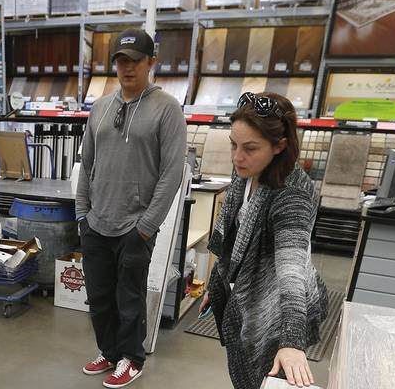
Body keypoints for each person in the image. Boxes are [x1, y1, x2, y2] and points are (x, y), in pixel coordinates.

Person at [76, 28, 186, 389]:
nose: (127, 68)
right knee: (99, 298)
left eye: (135, 61)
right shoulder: (101, 108)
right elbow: (86, 164)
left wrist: (146, 226)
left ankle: (131, 359)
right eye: (121, 61)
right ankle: (108, 352)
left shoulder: (166, 109)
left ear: (151, 63)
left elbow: (172, 174)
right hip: (96, 223)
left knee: (129, 299)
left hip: (134, 227)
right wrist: (82, 215)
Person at [204, 92, 328, 388]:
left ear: (279, 146)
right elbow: (233, 237)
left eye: (249, 148)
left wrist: (291, 340)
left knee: (262, 376)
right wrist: (217, 281)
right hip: (246, 297)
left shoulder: (292, 194)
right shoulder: (246, 172)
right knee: (244, 369)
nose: (237, 157)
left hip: (280, 311)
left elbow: (292, 267)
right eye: (233, 144)